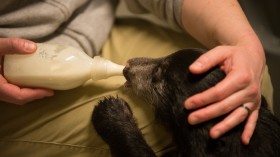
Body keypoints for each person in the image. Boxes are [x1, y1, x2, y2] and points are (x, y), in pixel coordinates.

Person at [0, 0, 267, 156]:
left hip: (86, 24)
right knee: (150, 129)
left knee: (246, 78)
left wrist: (245, 43)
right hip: (12, 74)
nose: (131, 67)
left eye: (157, 71)